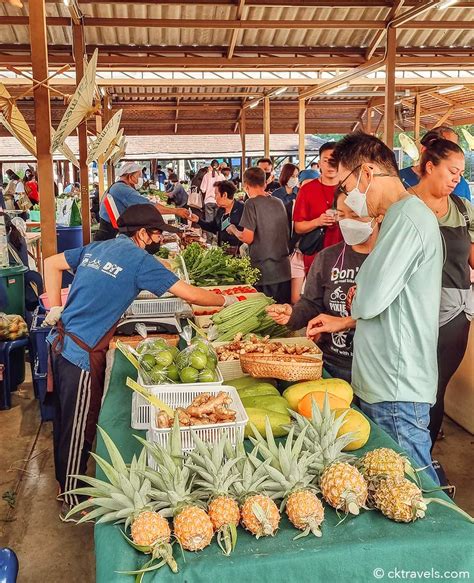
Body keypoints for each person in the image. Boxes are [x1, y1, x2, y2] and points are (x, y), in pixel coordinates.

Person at [43, 204, 238, 519]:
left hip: (61, 341)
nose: (159, 238)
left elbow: (51, 264)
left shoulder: (100, 247)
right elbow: (189, 293)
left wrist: (55, 307)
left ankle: (62, 484)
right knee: (78, 427)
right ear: (142, 234)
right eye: (157, 233)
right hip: (80, 353)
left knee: (66, 421)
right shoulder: (138, 261)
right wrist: (226, 299)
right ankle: (71, 499)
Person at [308, 132, 442, 484]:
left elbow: (367, 298)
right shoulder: (397, 218)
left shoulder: (407, 219)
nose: (348, 197)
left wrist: (360, 295)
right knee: (389, 487)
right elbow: (371, 298)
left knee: (411, 490)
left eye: (346, 183)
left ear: (367, 173)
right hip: (383, 380)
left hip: (396, 387)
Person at [267, 189, 383, 382]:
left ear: (378, 215)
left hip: (376, 369)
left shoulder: (390, 260)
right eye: (341, 215)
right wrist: (293, 314)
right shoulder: (327, 257)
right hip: (332, 362)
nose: (347, 222)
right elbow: (311, 303)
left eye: (355, 215)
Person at [408, 138, 474, 467]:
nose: (456, 180)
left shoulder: (463, 209)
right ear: (429, 166)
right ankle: (408, 454)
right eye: (451, 171)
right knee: (413, 387)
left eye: (461, 175)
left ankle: (425, 457)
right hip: (412, 313)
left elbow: (472, 259)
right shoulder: (404, 205)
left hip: (454, 314)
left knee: (435, 389)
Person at [227, 167, 291, 303]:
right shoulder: (278, 202)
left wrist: (233, 229)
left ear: (245, 186)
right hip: (284, 269)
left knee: (266, 316)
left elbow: (248, 238)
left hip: (264, 271)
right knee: (282, 316)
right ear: (265, 183)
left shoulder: (251, 203)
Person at [94, 162, 189, 241]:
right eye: (138, 175)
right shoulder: (122, 189)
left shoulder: (118, 186)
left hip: (110, 230)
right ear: (130, 176)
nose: (140, 178)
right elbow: (149, 206)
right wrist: (175, 211)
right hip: (108, 234)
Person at [294, 142, 342, 274]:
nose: (330, 165)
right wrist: (318, 221)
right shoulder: (307, 190)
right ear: (319, 163)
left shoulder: (351, 188)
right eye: (326, 160)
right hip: (316, 256)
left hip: (345, 256)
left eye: (335, 160)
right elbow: (298, 227)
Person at [400, 126, 471, 202]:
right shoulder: (397, 179)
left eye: (454, 148)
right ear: (424, 149)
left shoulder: (462, 186)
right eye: (444, 149)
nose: (456, 180)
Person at [190, 180, 244, 253]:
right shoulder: (221, 210)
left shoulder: (242, 209)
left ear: (224, 195)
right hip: (223, 251)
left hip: (239, 254)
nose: (214, 198)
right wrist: (198, 220)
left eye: (216, 194)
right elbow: (214, 227)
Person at [200, 160, 225, 243]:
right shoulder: (221, 176)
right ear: (218, 167)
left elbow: (203, 190)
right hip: (219, 201)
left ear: (210, 166)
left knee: (209, 221)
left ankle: (209, 241)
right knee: (218, 221)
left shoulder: (206, 176)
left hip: (208, 201)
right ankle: (218, 240)